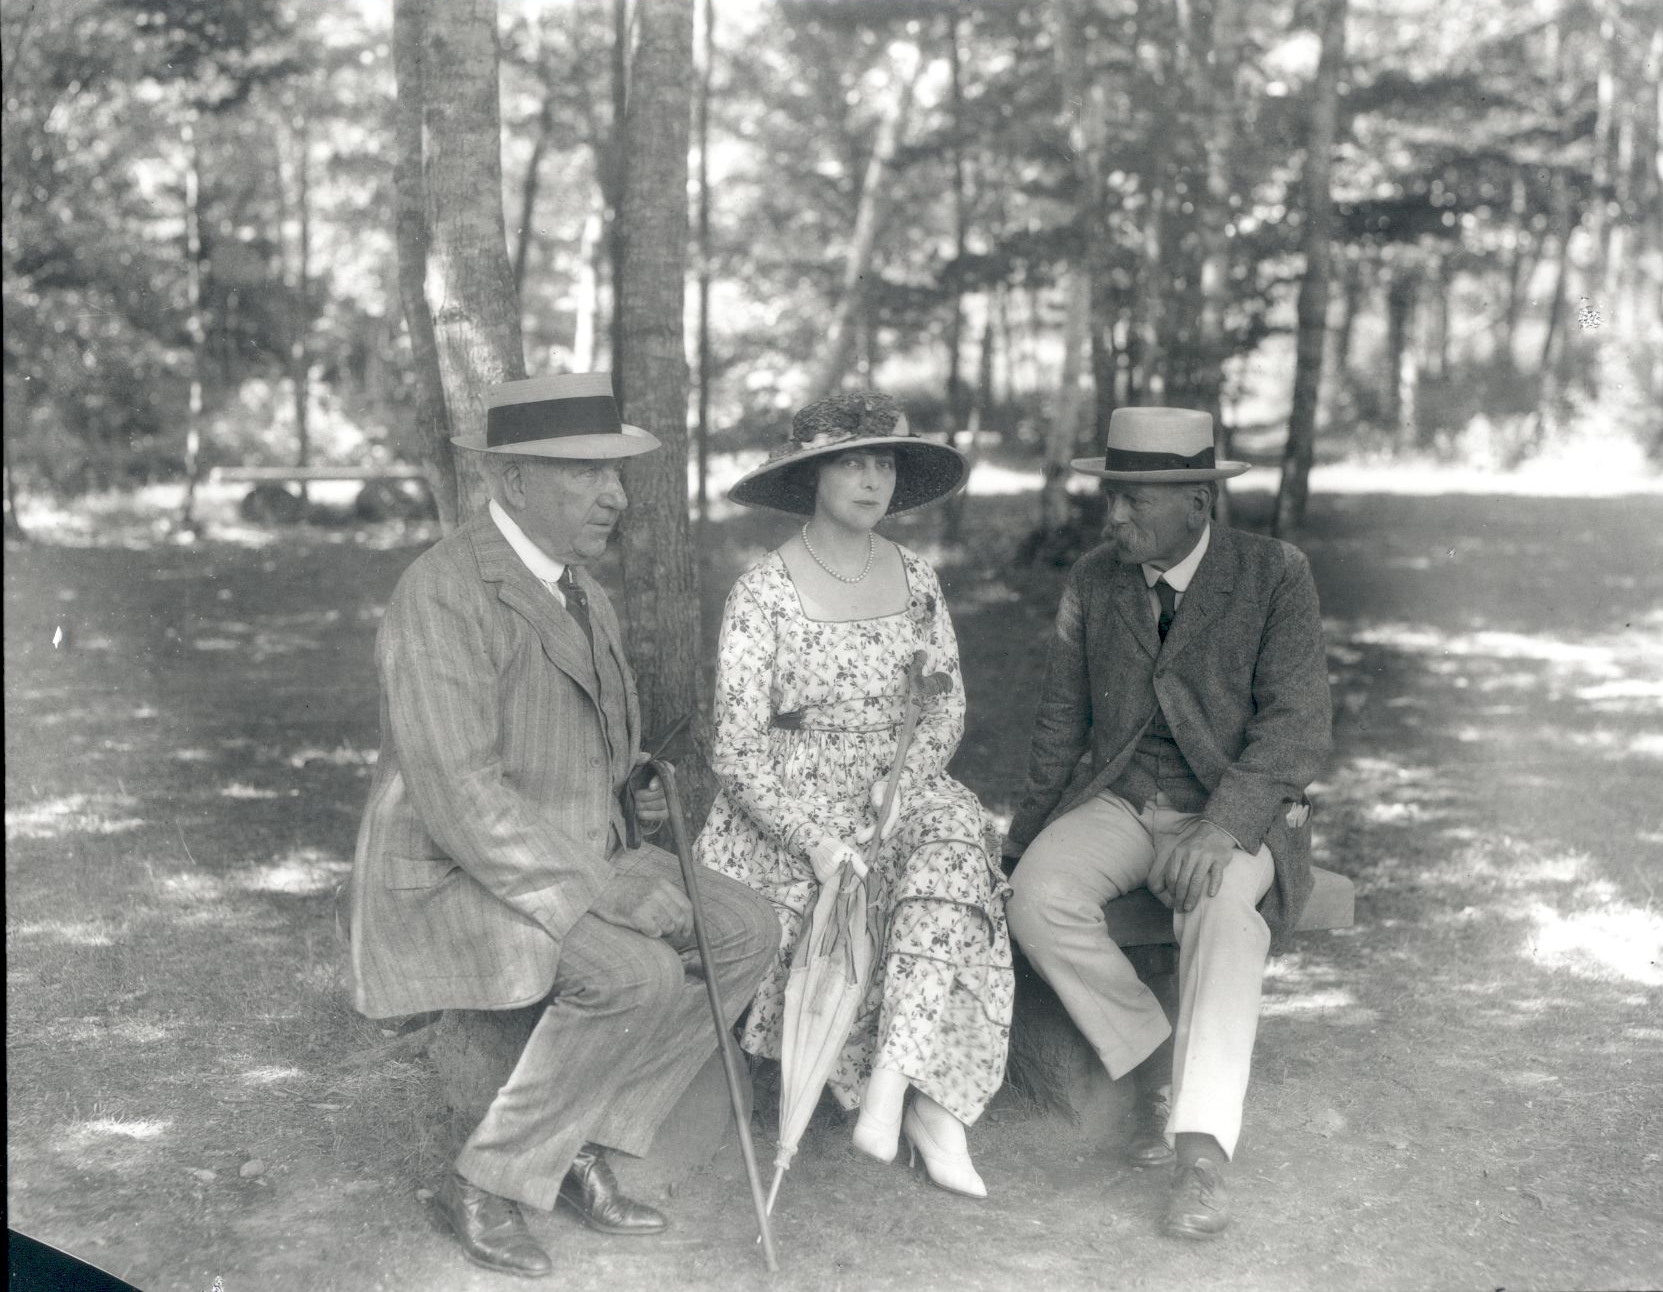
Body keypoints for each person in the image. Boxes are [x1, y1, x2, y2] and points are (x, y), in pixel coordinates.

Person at [344, 373, 780, 1279]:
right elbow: (459, 793)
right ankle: (485, 1183)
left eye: (614, 474)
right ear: (512, 481)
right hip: (456, 873)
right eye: (586, 474)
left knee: (748, 929)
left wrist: (633, 792)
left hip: (565, 854)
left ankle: (578, 1144)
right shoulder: (443, 592)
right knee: (632, 973)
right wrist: (606, 886)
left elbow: (583, 746)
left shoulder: (582, 591)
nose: (615, 495)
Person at [1003, 406, 1332, 1240]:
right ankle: (1155, 1063)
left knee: (1221, 910)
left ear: (1197, 503)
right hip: (1125, 799)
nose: (1112, 518)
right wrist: (1017, 845)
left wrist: (1222, 828)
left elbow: (1297, 728)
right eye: (1110, 498)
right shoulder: (1094, 580)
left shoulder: (1273, 574)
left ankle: (1201, 1156)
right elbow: (1060, 726)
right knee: (1037, 898)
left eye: (1133, 502)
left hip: (1238, 810)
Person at [696, 390, 1012, 1198]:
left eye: (885, 465)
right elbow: (735, 748)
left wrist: (903, 786)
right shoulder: (762, 591)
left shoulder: (918, 577)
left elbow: (946, 706)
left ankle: (893, 1089)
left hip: (895, 788)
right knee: (854, 884)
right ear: (813, 476)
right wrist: (813, 838)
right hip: (794, 805)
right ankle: (929, 1112)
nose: (873, 481)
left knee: (953, 845)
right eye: (852, 464)